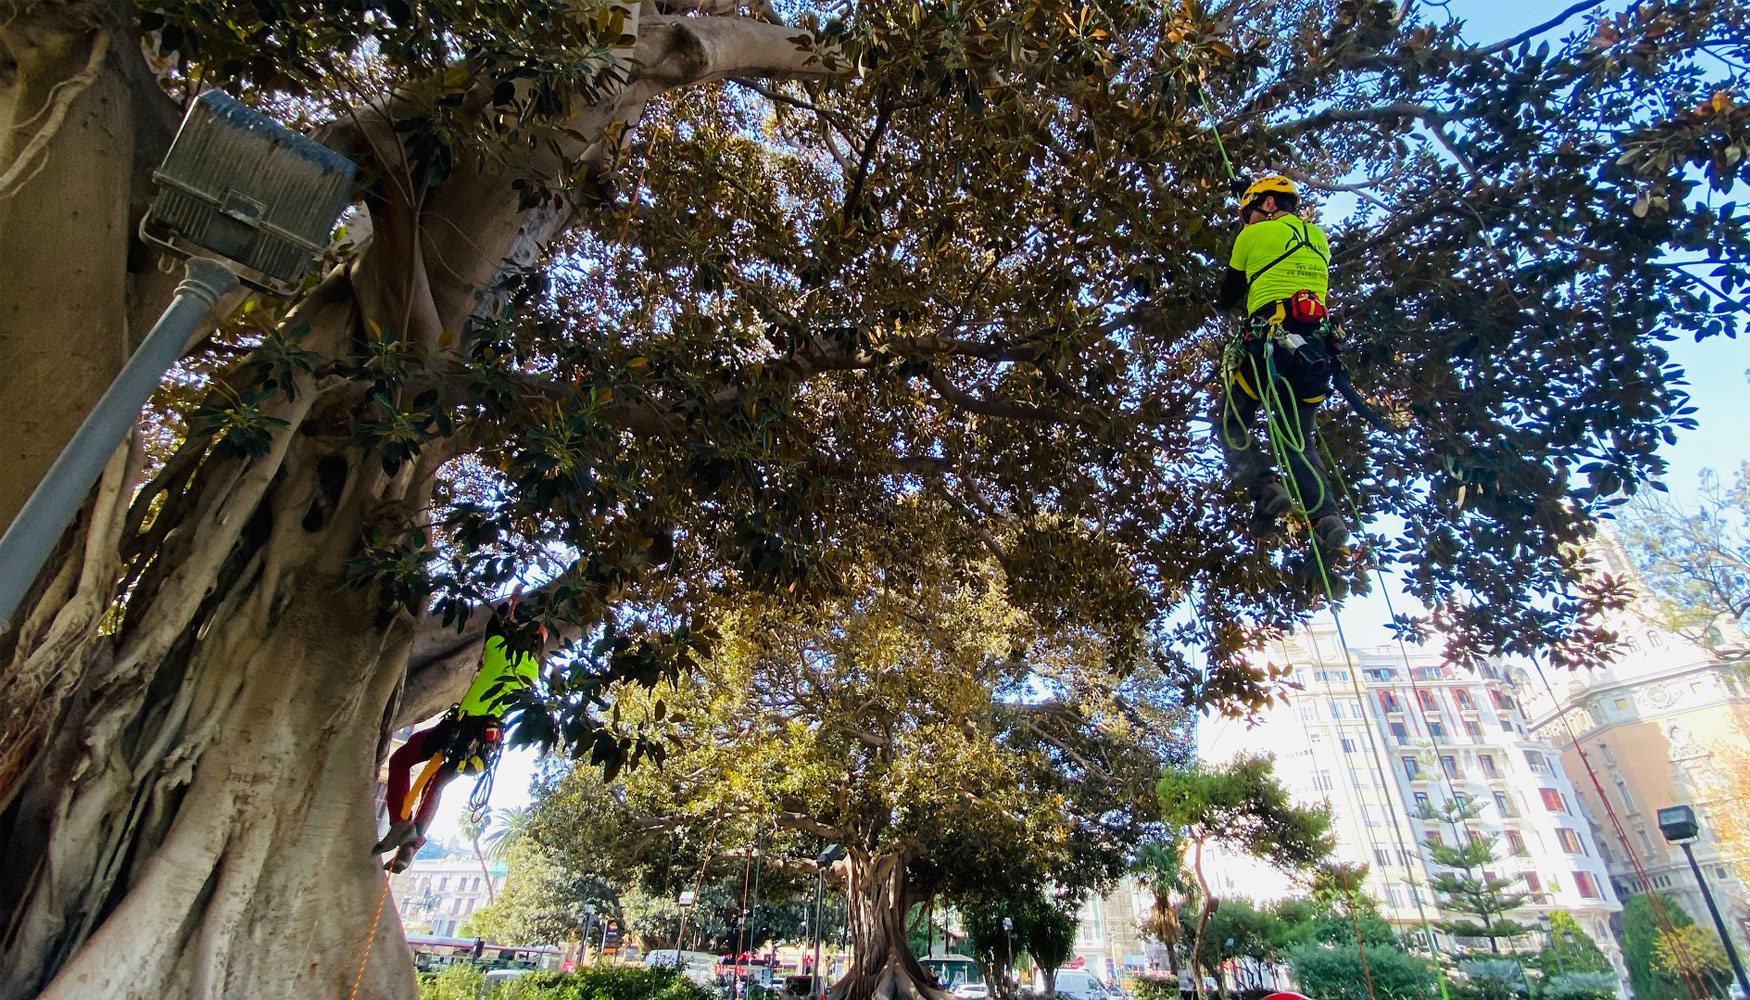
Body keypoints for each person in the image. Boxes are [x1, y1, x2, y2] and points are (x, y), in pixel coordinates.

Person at [1213, 174, 1350, 555]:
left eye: (1249, 214)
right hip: (1315, 354)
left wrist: (1247, 234)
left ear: (1269, 205)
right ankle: (1327, 518)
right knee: (1299, 442)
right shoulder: (1319, 239)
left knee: (1229, 422)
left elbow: (1229, 295)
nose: (1246, 222)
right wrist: (1245, 193)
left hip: (1270, 346)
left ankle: (1266, 488)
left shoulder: (1250, 237)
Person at [372, 606, 542, 872]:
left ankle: (400, 824)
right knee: (438, 782)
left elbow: (494, 626)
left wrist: (508, 606)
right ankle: (411, 844)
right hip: (485, 746)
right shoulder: (531, 673)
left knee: (402, 758)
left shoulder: (500, 652)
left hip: (461, 729)